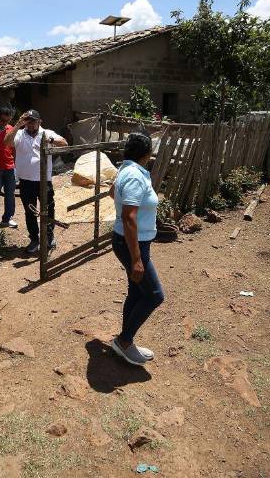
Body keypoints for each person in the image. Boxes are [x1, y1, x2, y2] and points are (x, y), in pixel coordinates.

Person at [109, 131, 164, 366]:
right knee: (154, 296)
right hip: (132, 244)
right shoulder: (133, 175)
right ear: (147, 153)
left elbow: (113, 192)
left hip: (133, 241)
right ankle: (124, 340)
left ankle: (125, 342)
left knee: (136, 292)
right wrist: (137, 259)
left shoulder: (127, 170)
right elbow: (129, 217)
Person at [4, 109, 67, 254]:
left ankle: (49, 236)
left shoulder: (47, 133)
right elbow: (6, 142)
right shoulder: (20, 134)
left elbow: (64, 143)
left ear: (39, 122)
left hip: (44, 181)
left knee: (48, 209)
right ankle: (34, 239)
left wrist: (50, 140)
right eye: (28, 121)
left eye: (33, 121)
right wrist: (18, 124)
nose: (30, 124)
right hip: (26, 181)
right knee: (29, 211)